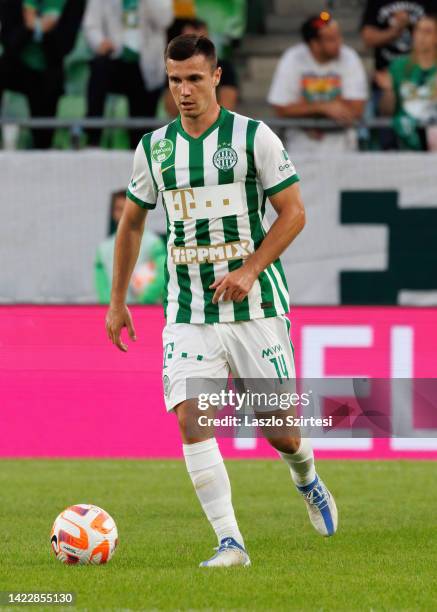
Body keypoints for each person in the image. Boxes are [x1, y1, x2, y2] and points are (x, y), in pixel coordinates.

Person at [105, 34, 338, 568]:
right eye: (173, 80)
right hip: (188, 311)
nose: (183, 91)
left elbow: (294, 212)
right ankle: (230, 542)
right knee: (193, 417)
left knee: (279, 430)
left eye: (192, 79)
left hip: (255, 307)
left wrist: (250, 269)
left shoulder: (254, 137)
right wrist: (118, 302)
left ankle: (306, 476)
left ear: (215, 77)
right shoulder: (154, 148)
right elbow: (133, 223)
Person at [268, 13, 368, 153]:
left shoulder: (349, 57)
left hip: (343, 148)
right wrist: (324, 107)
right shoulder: (293, 58)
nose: (339, 43)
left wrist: (303, 108)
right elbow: (281, 108)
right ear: (314, 44)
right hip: (300, 148)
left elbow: (356, 109)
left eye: (339, 36)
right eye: (331, 39)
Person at [83, 0, 173, 147]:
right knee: (99, 68)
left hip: (145, 63)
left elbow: (165, 20)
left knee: (141, 130)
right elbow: (91, 25)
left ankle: (139, 150)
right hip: (114, 56)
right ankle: (93, 140)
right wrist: (100, 42)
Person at [0, 0, 85, 148]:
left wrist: (42, 28)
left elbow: (65, 46)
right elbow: (8, 41)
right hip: (16, 64)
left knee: (49, 87)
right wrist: (31, 27)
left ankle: (43, 149)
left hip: (49, 68)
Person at [95, 190, 166, 304]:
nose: (123, 213)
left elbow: (164, 274)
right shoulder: (103, 249)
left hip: (148, 312)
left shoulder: (154, 242)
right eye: (119, 209)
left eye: (127, 208)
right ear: (113, 213)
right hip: (117, 315)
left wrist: (144, 301)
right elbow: (102, 287)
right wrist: (114, 308)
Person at [379, 14, 437, 150]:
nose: (421, 36)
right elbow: (386, 111)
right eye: (417, 30)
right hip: (405, 142)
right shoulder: (397, 67)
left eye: (427, 31)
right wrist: (388, 91)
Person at [164, 18, 239, 116]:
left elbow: (228, 104)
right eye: (187, 41)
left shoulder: (225, 67)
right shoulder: (173, 66)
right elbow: (171, 109)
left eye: (195, 78)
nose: (186, 91)